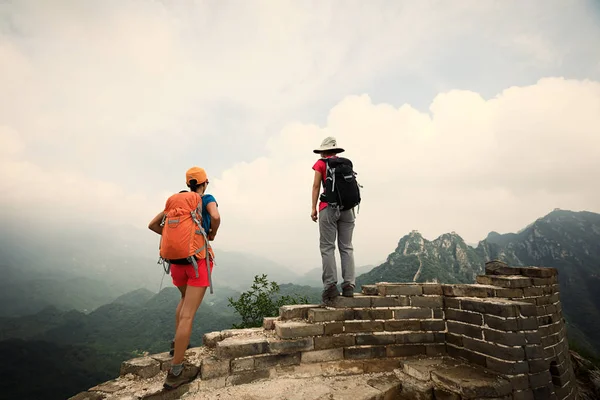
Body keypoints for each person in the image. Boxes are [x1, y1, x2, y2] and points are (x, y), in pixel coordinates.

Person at [148, 166, 220, 390]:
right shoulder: (206, 198)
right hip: (197, 261)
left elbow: (152, 225)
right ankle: (176, 371)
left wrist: (174, 237)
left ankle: (177, 345)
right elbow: (215, 216)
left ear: (188, 183)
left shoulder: (176, 202)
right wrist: (210, 234)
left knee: (183, 301)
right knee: (189, 314)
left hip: (176, 263)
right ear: (204, 182)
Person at [311, 136, 358, 304]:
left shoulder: (321, 164)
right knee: (346, 247)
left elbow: (316, 185)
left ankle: (330, 287)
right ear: (336, 150)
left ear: (323, 151)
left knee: (327, 247)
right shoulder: (345, 164)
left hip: (328, 208)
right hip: (348, 209)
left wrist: (313, 208)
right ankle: (349, 286)